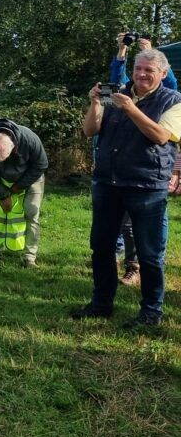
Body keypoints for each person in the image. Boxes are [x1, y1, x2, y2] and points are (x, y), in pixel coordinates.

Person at [74, 48, 181, 329]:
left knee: (149, 253)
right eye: (138, 69)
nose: (142, 75)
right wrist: (95, 103)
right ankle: (101, 304)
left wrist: (131, 108)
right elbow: (89, 130)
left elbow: (160, 136)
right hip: (108, 182)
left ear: (162, 74)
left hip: (147, 186)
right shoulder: (116, 91)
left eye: (149, 71)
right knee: (101, 246)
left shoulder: (173, 100)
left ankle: (150, 313)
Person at [0, 119, 47, 267]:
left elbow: (41, 165)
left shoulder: (30, 140)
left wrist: (18, 187)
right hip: (1, 179)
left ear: (13, 148)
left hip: (31, 179)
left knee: (31, 214)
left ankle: (30, 257)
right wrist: (2, 195)